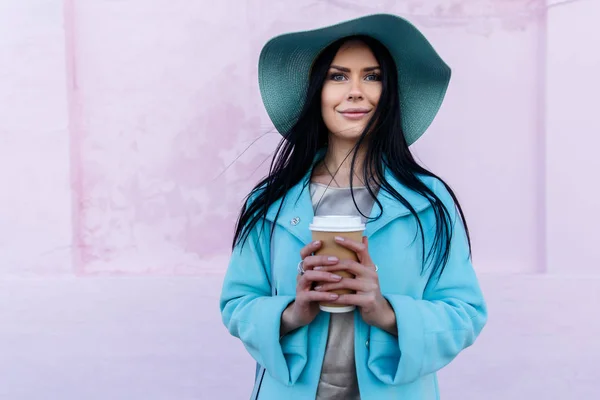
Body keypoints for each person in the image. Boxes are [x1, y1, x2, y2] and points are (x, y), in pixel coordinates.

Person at [219, 13, 487, 400]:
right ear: (317, 91)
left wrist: (386, 312)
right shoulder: (270, 203)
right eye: (338, 76)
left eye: (372, 76)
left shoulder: (428, 203)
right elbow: (237, 304)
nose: (356, 91)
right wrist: (294, 312)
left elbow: (465, 312)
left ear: (389, 93)